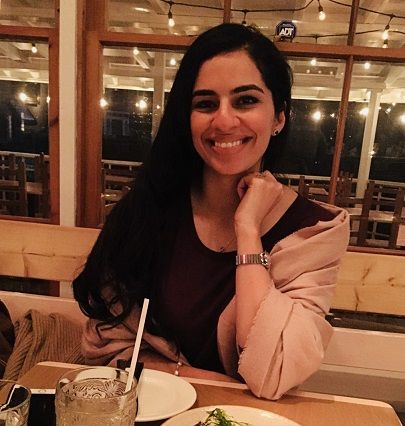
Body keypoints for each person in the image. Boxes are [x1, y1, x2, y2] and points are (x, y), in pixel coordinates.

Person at [73, 23, 350, 400]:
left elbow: (273, 373)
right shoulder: (147, 209)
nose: (223, 120)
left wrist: (248, 229)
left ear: (279, 117)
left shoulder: (315, 229)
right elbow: (105, 348)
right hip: (153, 408)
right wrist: (198, 380)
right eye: (205, 104)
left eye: (245, 100)